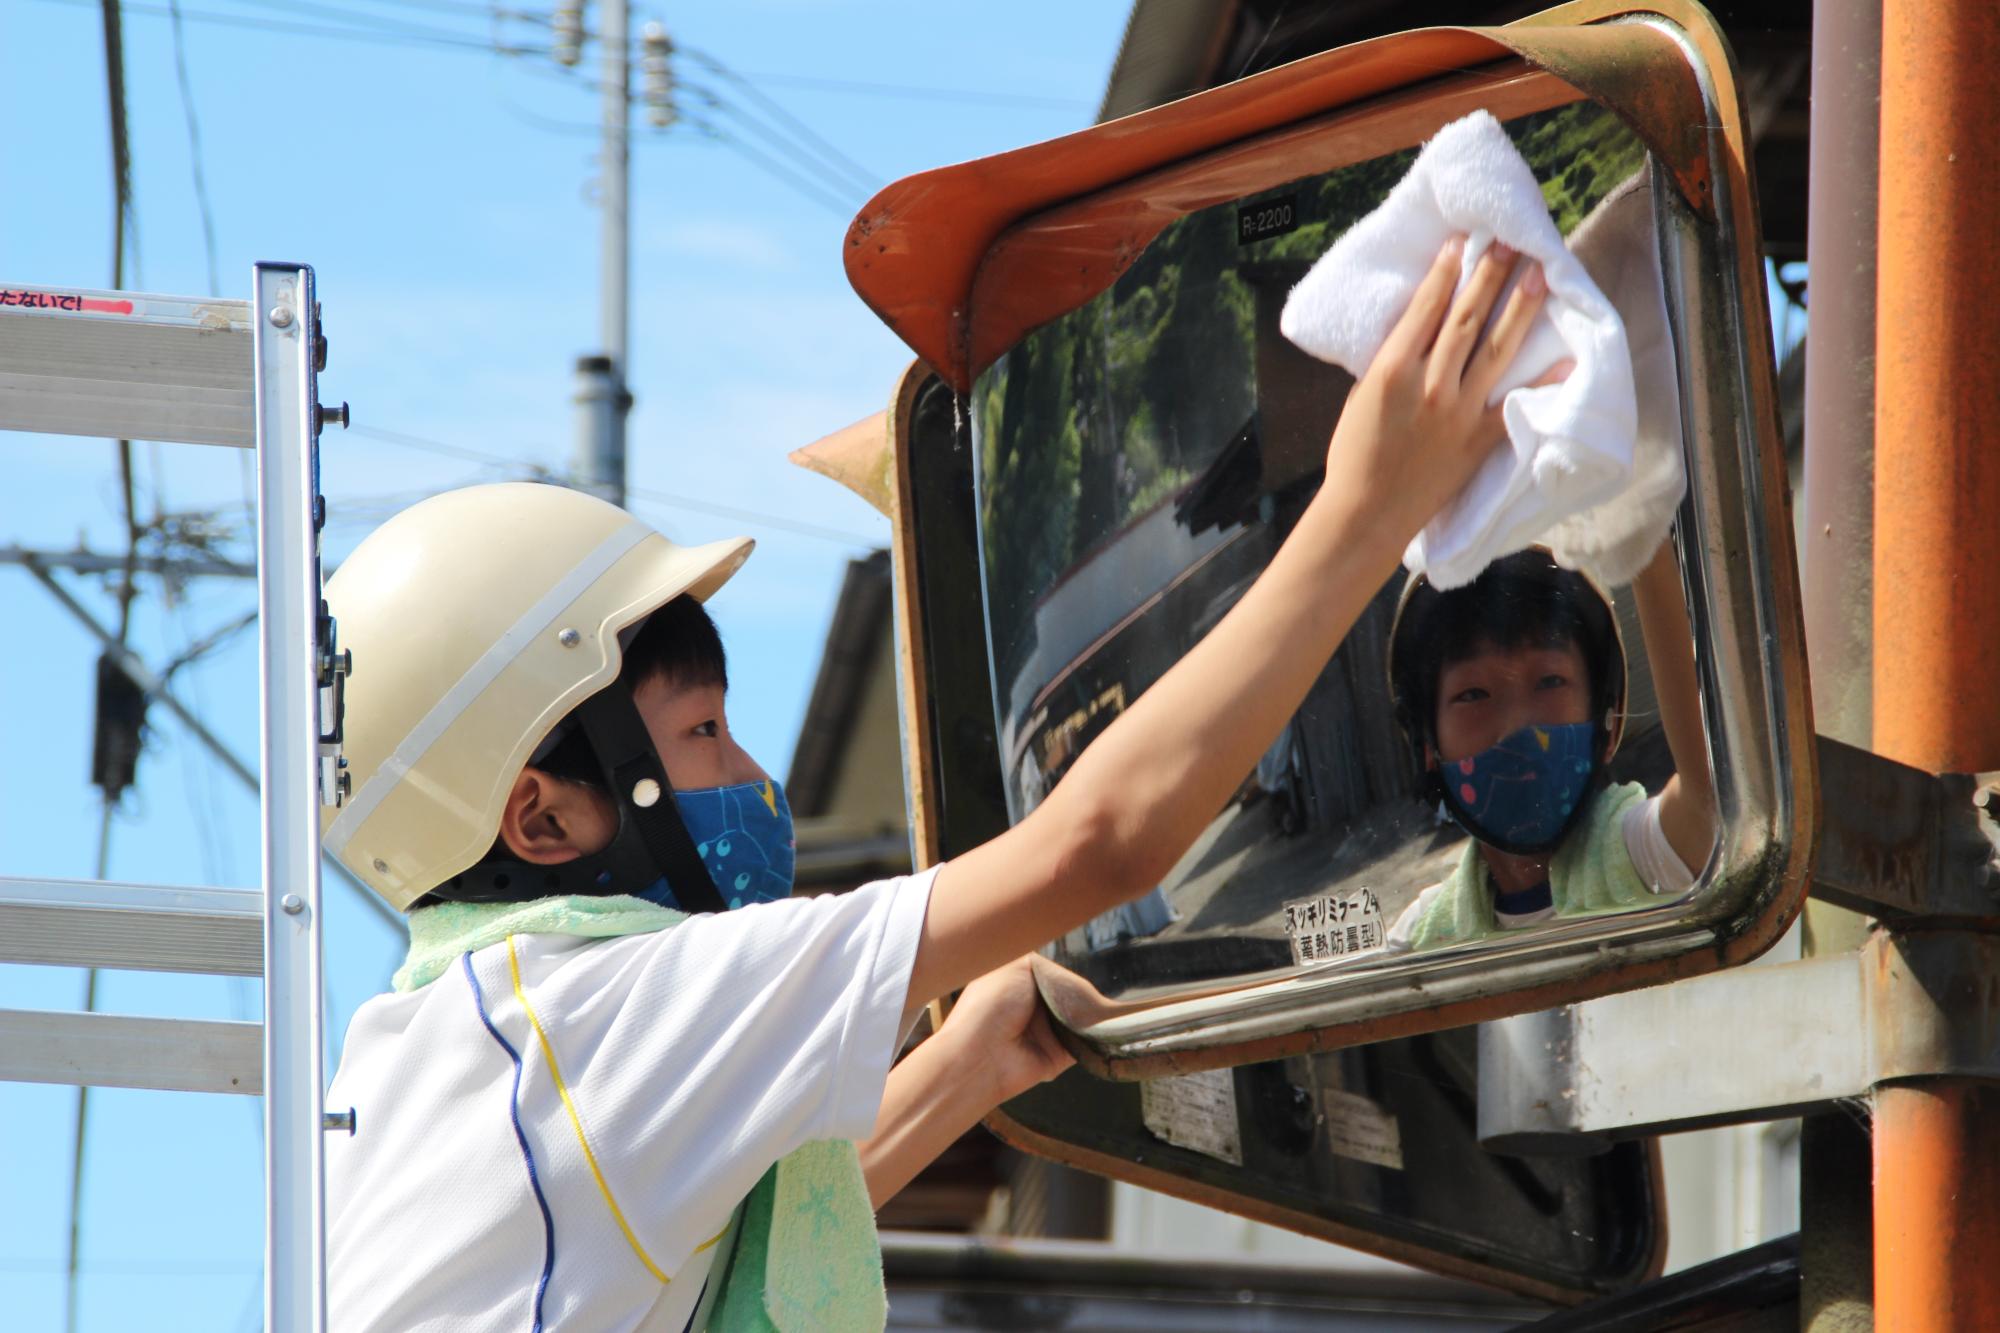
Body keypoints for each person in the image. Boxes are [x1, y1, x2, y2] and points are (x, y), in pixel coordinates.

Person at [320, 236, 1550, 1331]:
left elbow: (732, 1250)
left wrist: (968, 1062)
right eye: (700, 735)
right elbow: (1101, 842)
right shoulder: (590, 1014)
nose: (749, 775)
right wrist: (1372, 501)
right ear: (543, 816)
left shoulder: (448, 1054)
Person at [1381, 539, 1716, 954]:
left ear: (1607, 722)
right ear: (1429, 747)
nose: (1518, 727)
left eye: (1549, 682)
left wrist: (1644, 543)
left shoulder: (1642, 856)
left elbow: (1713, 798)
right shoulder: (1423, 937)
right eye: (1473, 695)